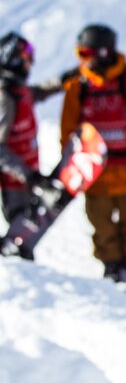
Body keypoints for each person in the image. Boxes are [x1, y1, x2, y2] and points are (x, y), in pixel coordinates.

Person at [60, 24, 126, 282]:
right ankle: (111, 262)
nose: (82, 59)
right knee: (100, 222)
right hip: (95, 174)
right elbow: (68, 130)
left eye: (86, 53)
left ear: (104, 52)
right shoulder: (78, 85)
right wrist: (73, 169)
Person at [0, 32, 65, 241]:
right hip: (14, 183)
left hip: (28, 178)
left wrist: (64, 80)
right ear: (15, 59)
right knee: (20, 232)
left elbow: (38, 92)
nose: (31, 63)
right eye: (27, 58)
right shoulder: (5, 97)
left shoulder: (19, 90)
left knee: (30, 232)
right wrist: (27, 174)